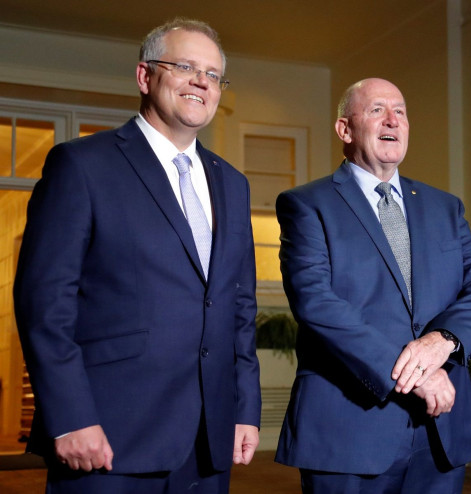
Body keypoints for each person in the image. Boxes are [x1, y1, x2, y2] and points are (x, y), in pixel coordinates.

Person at [14, 17, 260, 493]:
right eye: (185, 66)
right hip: (107, 435)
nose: (200, 82)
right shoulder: (82, 165)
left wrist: (244, 408)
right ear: (145, 76)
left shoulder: (233, 182)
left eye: (212, 74)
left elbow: (239, 306)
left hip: (209, 442)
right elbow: (45, 304)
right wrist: (69, 417)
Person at [273, 77, 471, 493]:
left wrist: (443, 340)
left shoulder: (444, 207)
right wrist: (415, 374)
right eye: (377, 109)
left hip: (441, 431)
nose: (392, 120)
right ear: (345, 129)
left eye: (400, 111)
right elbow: (317, 304)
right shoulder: (306, 204)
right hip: (350, 428)